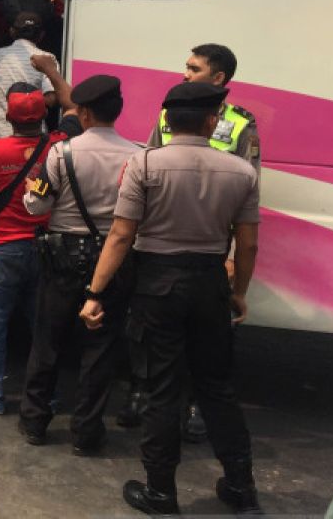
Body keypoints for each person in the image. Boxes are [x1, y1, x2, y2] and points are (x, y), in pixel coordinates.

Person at [79, 81, 263, 516]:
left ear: (167, 120)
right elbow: (249, 245)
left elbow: (122, 234)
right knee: (217, 388)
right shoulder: (242, 173)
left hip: (157, 286)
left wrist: (95, 292)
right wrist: (238, 293)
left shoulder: (143, 164)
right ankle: (241, 487)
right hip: (209, 284)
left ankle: (161, 492)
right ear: (212, 120)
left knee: (163, 390)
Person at [141, 43, 260, 443]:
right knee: (150, 334)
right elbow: (147, 175)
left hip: (211, 250)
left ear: (219, 78)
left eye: (193, 68)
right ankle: (145, 398)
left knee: (206, 342)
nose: (185, 73)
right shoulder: (168, 113)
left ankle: (192, 410)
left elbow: (248, 198)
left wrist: (231, 259)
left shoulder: (241, 125)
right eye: (186, 66)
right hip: (161, 244)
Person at [18, 75, 139, 454]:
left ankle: (35, 422)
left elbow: (36, 206)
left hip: (62, 259)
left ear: (83, 113)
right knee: (100, 349)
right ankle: (87, 434)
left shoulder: (60, 153)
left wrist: (27, 193)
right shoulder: (139, 156)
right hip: (113, 261)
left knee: (48, 342)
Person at [0, 84, 78, 416]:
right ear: (43, 115)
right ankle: (46, 396)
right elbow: (72, 108)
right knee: (42, 327)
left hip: (1, 248)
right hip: (45, 248)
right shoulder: (58, 145)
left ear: (7, 117)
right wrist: (49, 72)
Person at [0, 12, 59, 139]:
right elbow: (51, 100)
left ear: (12, 32)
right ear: (41, 35)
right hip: (34, 138)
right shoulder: (47, 59)